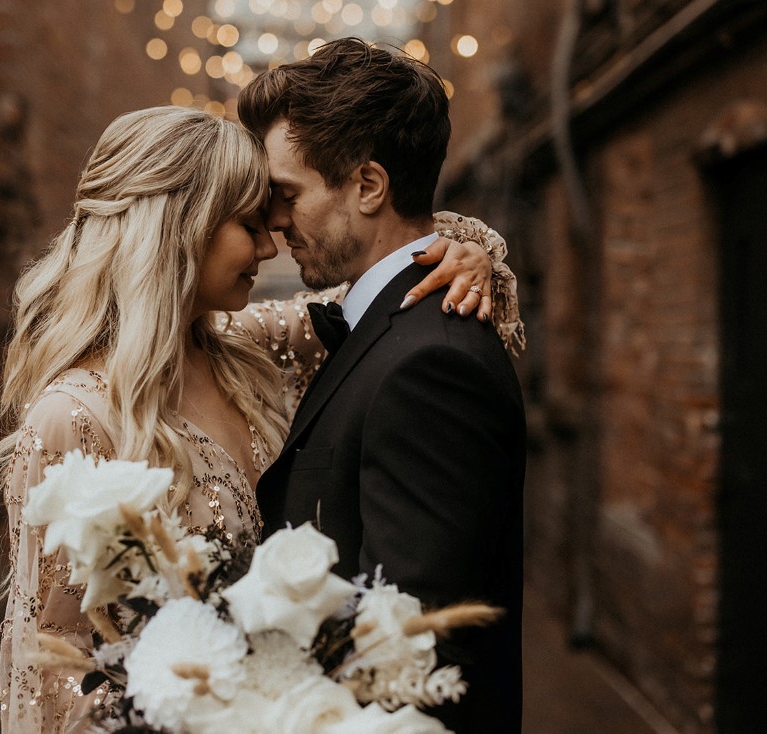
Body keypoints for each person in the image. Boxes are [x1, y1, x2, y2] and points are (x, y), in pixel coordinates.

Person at [0, 105, 506, 733]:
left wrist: (466, 254)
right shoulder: (72, 417)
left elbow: (389, 282)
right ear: (176, 226)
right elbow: (48, 669)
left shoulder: (248, 347)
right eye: (249, 223)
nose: (270, 244)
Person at [240, 39, 527, 734]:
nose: (275, 227)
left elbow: (408, 656)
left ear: (368, 186)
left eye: (288, 195)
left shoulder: (431, 366)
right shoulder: (389, 329)